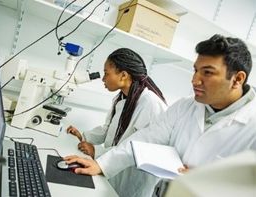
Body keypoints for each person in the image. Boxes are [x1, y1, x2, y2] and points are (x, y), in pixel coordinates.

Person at [64, 34, 256, 196]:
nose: (195, 80)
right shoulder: (185, 107)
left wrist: (212, 186)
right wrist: (103, 164)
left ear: (237, 79)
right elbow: (145, 139)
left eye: (207, 72)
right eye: (195, 70)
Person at [66, 48, 167, 196]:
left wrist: (97, 151)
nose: (103, 79)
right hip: (113, 171)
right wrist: (83, 136)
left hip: (132, 179)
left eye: (107, 73)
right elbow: (108, 129)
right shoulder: (122, 98)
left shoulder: (150, 104)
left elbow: (134, 149)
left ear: (123, 75)